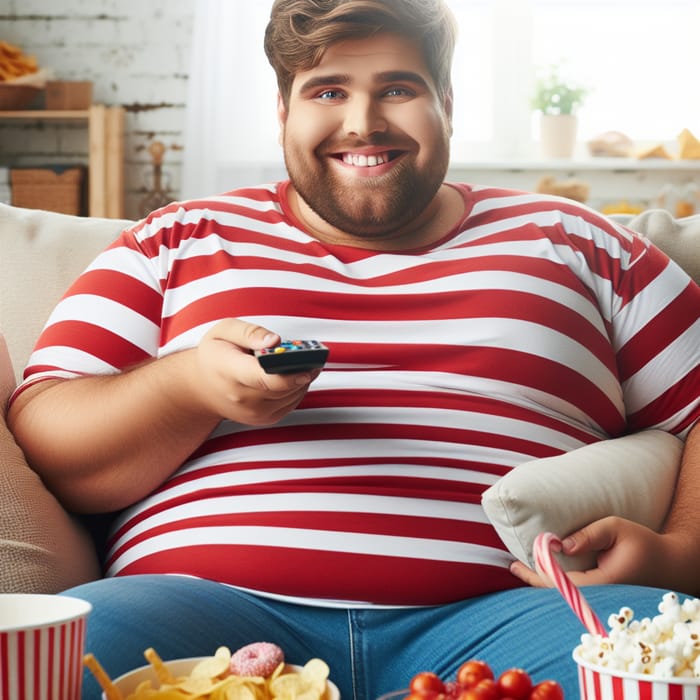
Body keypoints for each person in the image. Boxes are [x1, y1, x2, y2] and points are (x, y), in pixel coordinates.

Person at [7, 1, 700, 698]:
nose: (364, 121)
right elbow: (50, 443)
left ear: (447, 104)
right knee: (57, 667)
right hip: (194, 612)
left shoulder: (579, 243)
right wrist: (183, 387)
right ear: (283, 110)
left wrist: (684, 553)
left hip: (521, 621)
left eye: (398, 88)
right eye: (328, 90)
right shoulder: (174, 242)